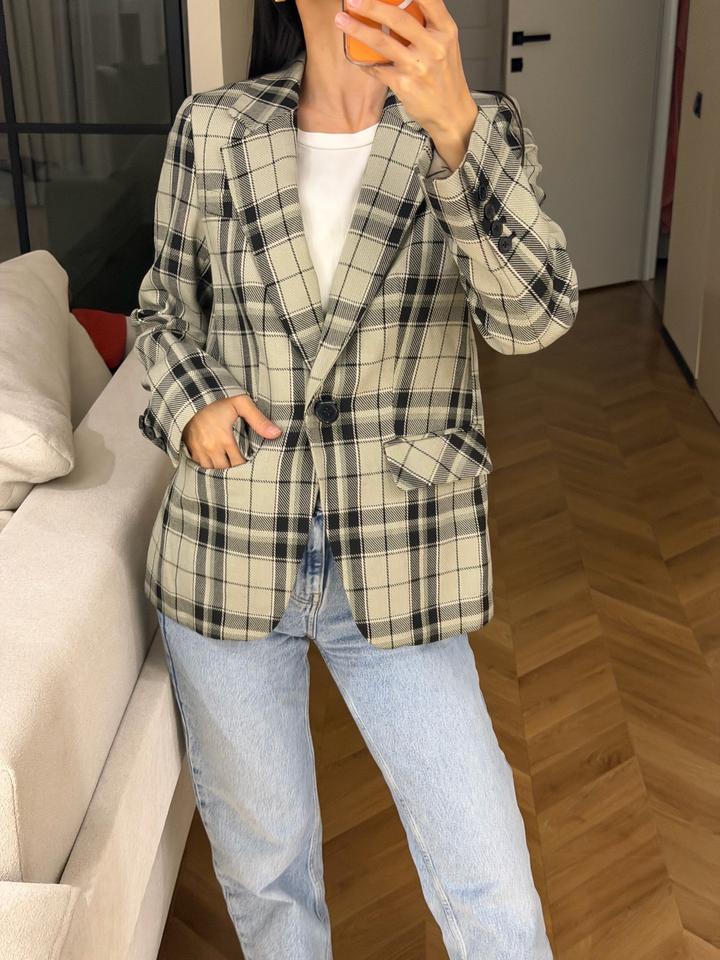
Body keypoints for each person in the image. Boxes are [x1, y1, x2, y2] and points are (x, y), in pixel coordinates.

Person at [130, 0, 578, 956]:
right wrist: (193, 402)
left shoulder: (480, 127)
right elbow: (161, 312)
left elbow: (533, 318)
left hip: (401, 549)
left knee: (488, 871)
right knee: (267, 869)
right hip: (230, 542)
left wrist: (455, 128)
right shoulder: (214, 126)